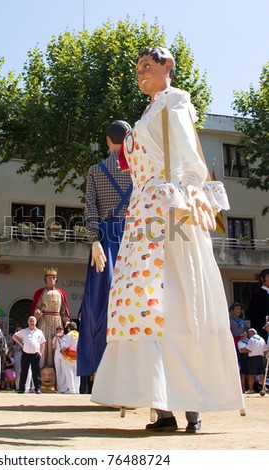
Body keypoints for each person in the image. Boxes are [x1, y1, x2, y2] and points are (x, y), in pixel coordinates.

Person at [91, 46, 244, 433]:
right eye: (138, 67)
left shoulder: (174, 103)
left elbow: (191, 161)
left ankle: (191, 403)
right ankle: (161, 406)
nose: (141, 72)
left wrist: (190, 195)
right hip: (142, 216)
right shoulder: (147, 113)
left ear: (168, 69)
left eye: (148, 66)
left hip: (169, 210)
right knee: (145, 307)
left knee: (178, 299)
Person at [77, 120, 132, 378]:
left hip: (106, 240)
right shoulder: (141, 170)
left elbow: (90, 209)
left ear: (108, 141)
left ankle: (101, 373)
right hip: (137, 238)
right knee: (135, 304)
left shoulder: (96, 170)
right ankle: (133, 373)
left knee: (99, 305)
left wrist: (94, 241)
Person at [31, 268, 70, 368]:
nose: (52, 280)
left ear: (56, 279)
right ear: (45, 279)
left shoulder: (61, 293)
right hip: (44, 321)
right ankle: (41, 371)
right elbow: (35, 310)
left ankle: (57, 373)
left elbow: (64, 311)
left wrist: (66, 321)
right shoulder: (40, 292)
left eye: (54, 278)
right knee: (43, 344)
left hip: (57, 321)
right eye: (49, 278)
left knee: (57, 344)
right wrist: (37, 314)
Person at [12, 316, 46, 394]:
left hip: (35, 354)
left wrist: (41, 353)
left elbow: (42, 342)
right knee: (24, 372)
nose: (32, 323)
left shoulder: (39, 332)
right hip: (26, 354)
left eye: (33, 321)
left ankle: (37, 388)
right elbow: (14, 336)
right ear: (28, 322)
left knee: (36, 372)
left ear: (36, 322)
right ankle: (21, 388)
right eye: (30, 321)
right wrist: (21, 344)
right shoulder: (23, 331)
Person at [244, 328, 268, 394]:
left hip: (253, 358)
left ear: (252, 333)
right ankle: (264, 387)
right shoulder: (261, 339)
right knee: (261, 374)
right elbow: (266, 350)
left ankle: (251, 389)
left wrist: (242, 350)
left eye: (249, 333)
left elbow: (249, 349)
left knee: (251, 374)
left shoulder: (252, 339)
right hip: (261, 358)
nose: (248, 335)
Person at [247, 269, 269, 342]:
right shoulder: (257, 294)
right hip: (262, 329)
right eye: (268, 276)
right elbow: (254, 314)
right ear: (262, 279)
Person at [61, 322, 80, 394]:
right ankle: (77, 389)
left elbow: (66, 346)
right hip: (78, 355)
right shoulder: (79, 334)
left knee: (69, 372)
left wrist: (62, 352)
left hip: (69, 355)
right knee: (77, 373)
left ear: (69, 328)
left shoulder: (68, 335)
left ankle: (71, 389)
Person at [52, 326, 68, 393]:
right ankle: (59, 388)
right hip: (57, 353)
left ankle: (65, 388)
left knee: (64, 371)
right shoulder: (55, 338)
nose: (59, 332)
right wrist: (56, 338)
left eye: (60, 330)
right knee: (58, 371)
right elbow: (53, 347)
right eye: (58, 330)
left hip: (64, 354)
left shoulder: (66, 337)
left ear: (63, 331)